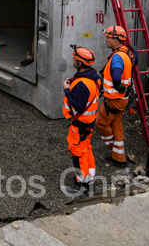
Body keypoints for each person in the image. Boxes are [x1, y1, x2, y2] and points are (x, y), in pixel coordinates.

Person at [95, 26, 135, 169]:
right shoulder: (126, 53)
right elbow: (133, 62)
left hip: (114, 100)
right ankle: (119, 158)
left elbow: (117, 76)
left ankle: (112, 148)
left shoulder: (117, 57)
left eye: (108, 38)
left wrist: (118, 86)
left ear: (116, 40)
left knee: (101, 124)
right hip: (121, 99)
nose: (106, 39)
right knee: (116, 124)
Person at [63, 46, 100, 196]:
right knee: (86, 150)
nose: (72, 60)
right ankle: (89, 179)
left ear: (79, 62)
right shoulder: (94, 77)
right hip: (88, 123)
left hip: (80, 124)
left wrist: (66, 89)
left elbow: (78, 107)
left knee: (77, 152)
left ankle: (81, 184)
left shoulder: (82, 84)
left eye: (74, 59)